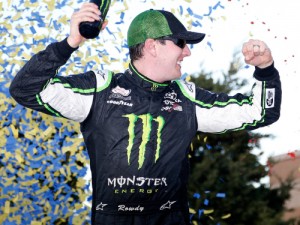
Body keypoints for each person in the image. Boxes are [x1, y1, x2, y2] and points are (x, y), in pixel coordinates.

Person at [9, 3, 282, 225]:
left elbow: (261, 112)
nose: (187, 51)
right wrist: (71, 42)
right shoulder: (100, 88)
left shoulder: (188, 98)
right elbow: (24, 89)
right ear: (152, 46)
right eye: (181, 43)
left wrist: (266, 70)